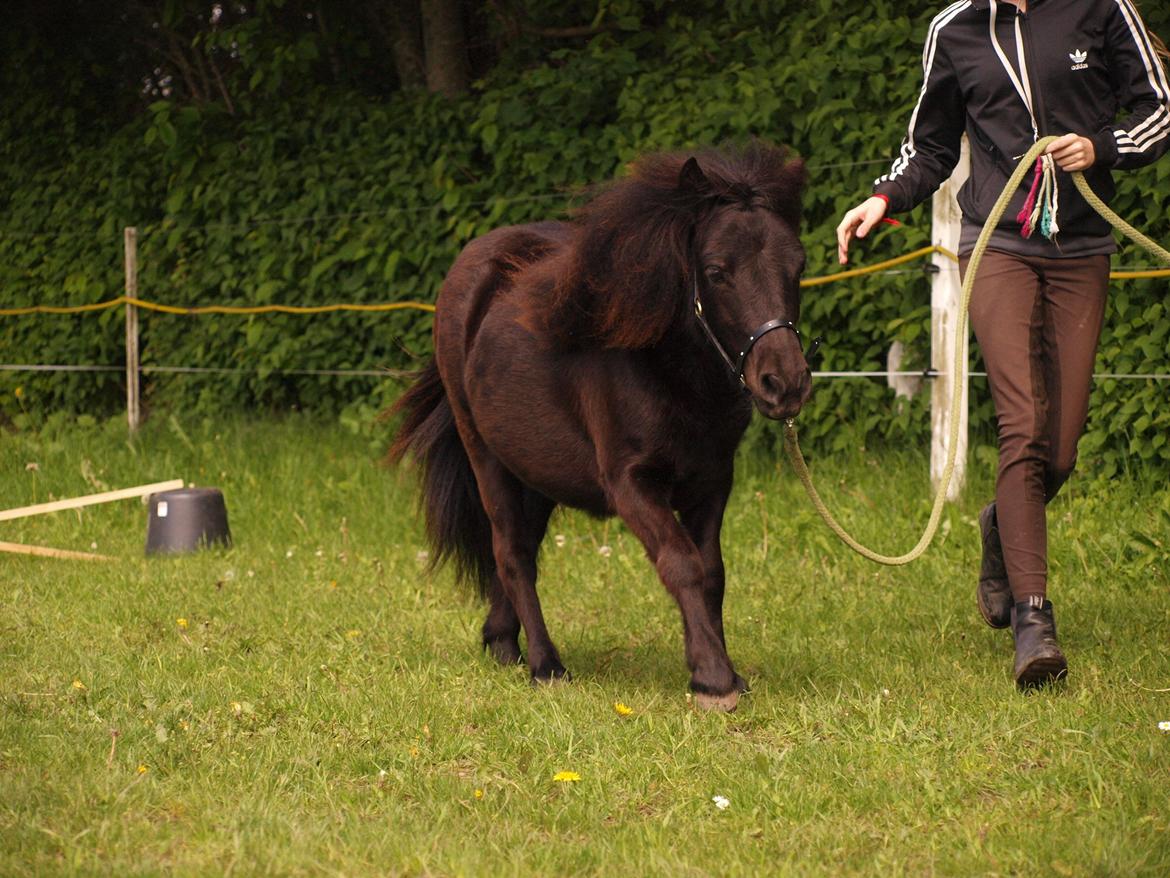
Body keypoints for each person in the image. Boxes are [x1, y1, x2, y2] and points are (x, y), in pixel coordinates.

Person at [836, 0, 1170, 688]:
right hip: (997, 244)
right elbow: (930, 145)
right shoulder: (954, 28)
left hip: (1083, 246)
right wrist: (884, 197)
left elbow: (1159, 109)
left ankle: (1000, 528)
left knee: (1060, 448)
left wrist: (1102, 147)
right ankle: (1033, 620)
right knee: (1022, 425)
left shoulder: (1101, 8)